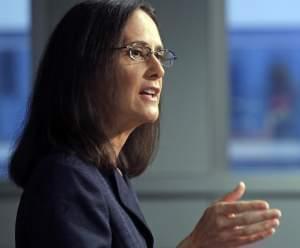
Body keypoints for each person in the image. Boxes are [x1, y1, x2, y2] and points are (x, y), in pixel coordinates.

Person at [9, 0, 281, 247]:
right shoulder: (65, 179)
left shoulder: (110, 174)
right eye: (137, 53)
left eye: (160, 55)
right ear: (87, 67)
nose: (158, 69)